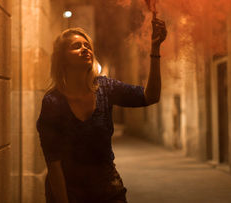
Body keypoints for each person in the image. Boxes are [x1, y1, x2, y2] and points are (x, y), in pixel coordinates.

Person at [36, 15, 167, 203]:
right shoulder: (53, 102)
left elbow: (150, 96)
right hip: (70, 193)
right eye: (76, 46)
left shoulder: (106, 88)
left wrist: (155, 50)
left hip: (108, 190)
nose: (85, 49)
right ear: (62, 59)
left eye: (87, 45)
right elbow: (54, 163)